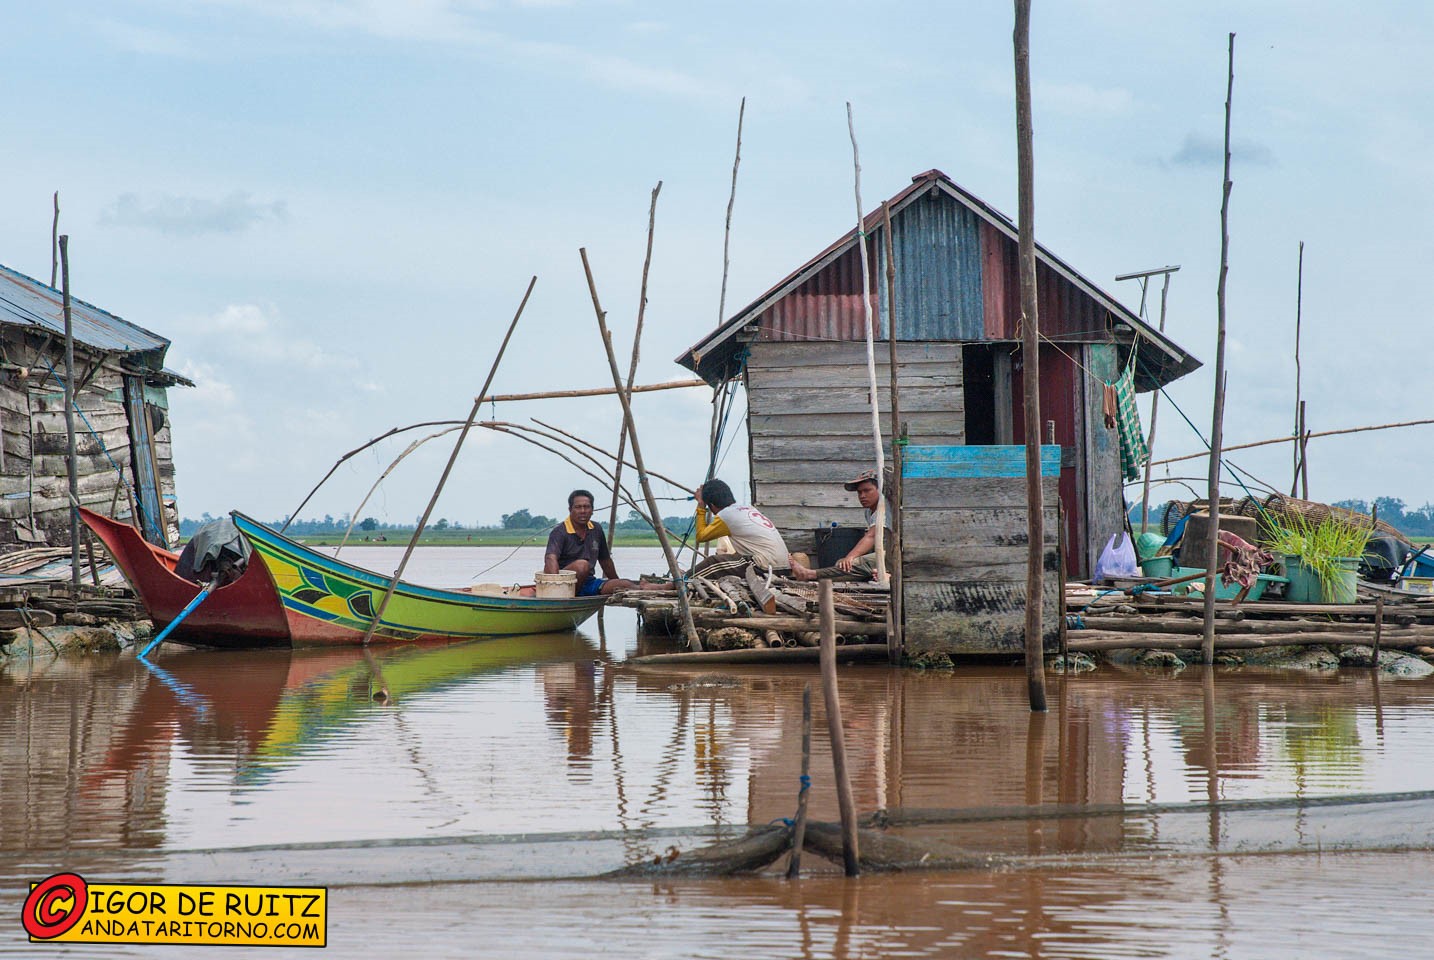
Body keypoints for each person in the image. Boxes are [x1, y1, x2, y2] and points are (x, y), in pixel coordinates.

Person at [692, 478, 791, 613]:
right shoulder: (748, 508)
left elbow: (701, 536)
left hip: (763, 566)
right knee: (732, 558)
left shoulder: (725, 515)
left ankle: (678, 582)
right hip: (785, 567)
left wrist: (701, 507)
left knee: (713, 562)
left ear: (712, 505)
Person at [789, 468, 893, 582]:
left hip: (897, 556)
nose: (862, 496)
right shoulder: (869, 511)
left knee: (854, 563)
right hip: (887, 556)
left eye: (867, 490)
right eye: (859, 492)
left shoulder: (884, 507)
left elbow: (871, 536)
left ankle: (810, 575)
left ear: (880, 490)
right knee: (843, 564)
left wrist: (850, 557)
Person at [544, 489, 637, 596]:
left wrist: (616, 583)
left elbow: (605, 561)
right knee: (582, 566)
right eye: (578, 507)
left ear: (592, 510)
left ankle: (652, 588)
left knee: (625, 584)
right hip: (564, 584)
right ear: (570, 510)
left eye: (587, 507)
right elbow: (550, 558)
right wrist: (555, 588)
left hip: (589, 583)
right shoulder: (560, 531)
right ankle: (568, 596)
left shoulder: (596, 529)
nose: (583, 511)